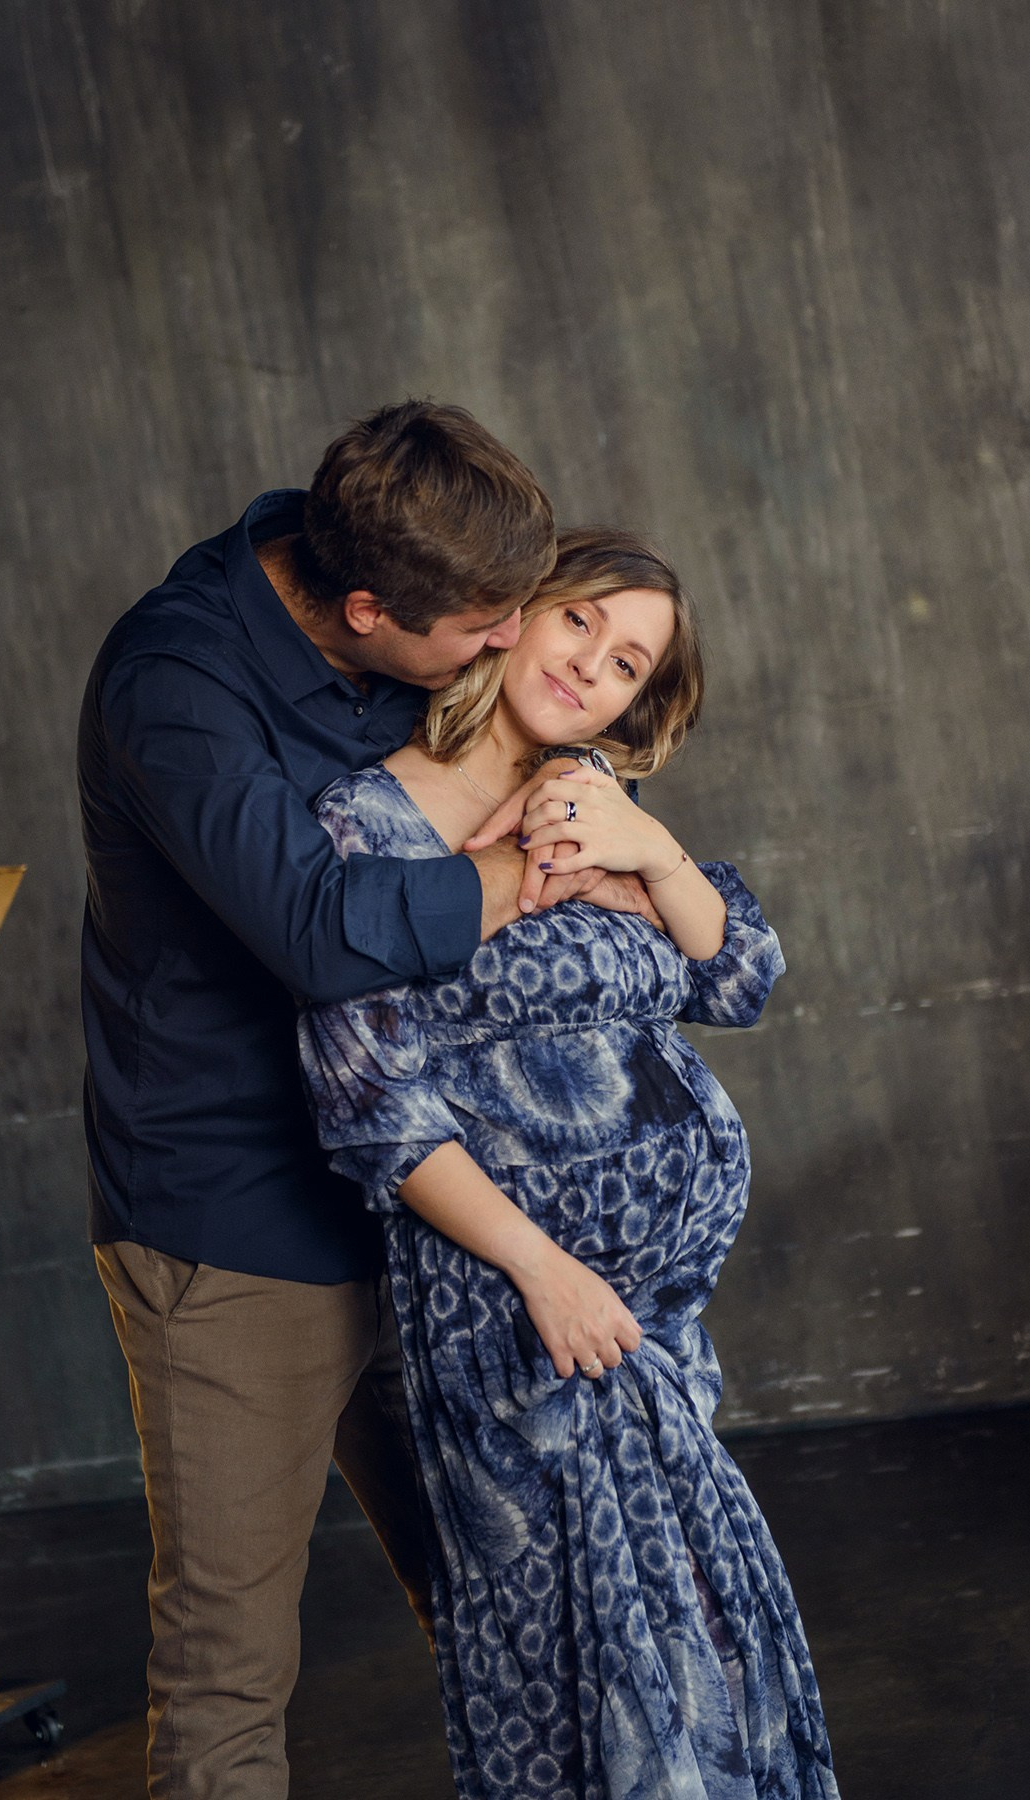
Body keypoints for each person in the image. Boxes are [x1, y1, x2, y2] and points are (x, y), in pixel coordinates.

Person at [77, 402, 657, 1799]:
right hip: (234, 1226)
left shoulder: (411, 574)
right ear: (363, 613)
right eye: (483, 632)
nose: (515, 646)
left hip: (420, 1199)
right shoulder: (176, 684)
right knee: (228, 1678)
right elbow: (324, 928)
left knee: (515, 1603)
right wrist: (540, 875)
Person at [298, 529, 841, 1799]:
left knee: (696, 1637)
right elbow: (369, 1104)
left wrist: (647, 854)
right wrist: (546, 1272)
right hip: (520, 1308)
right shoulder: (363, 826)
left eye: (629, 661)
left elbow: (741, 973)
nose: (594, 665)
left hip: (655, 1322)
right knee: (584, 1662)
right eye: (581, 624)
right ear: (513, 618)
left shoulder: (588, 798)